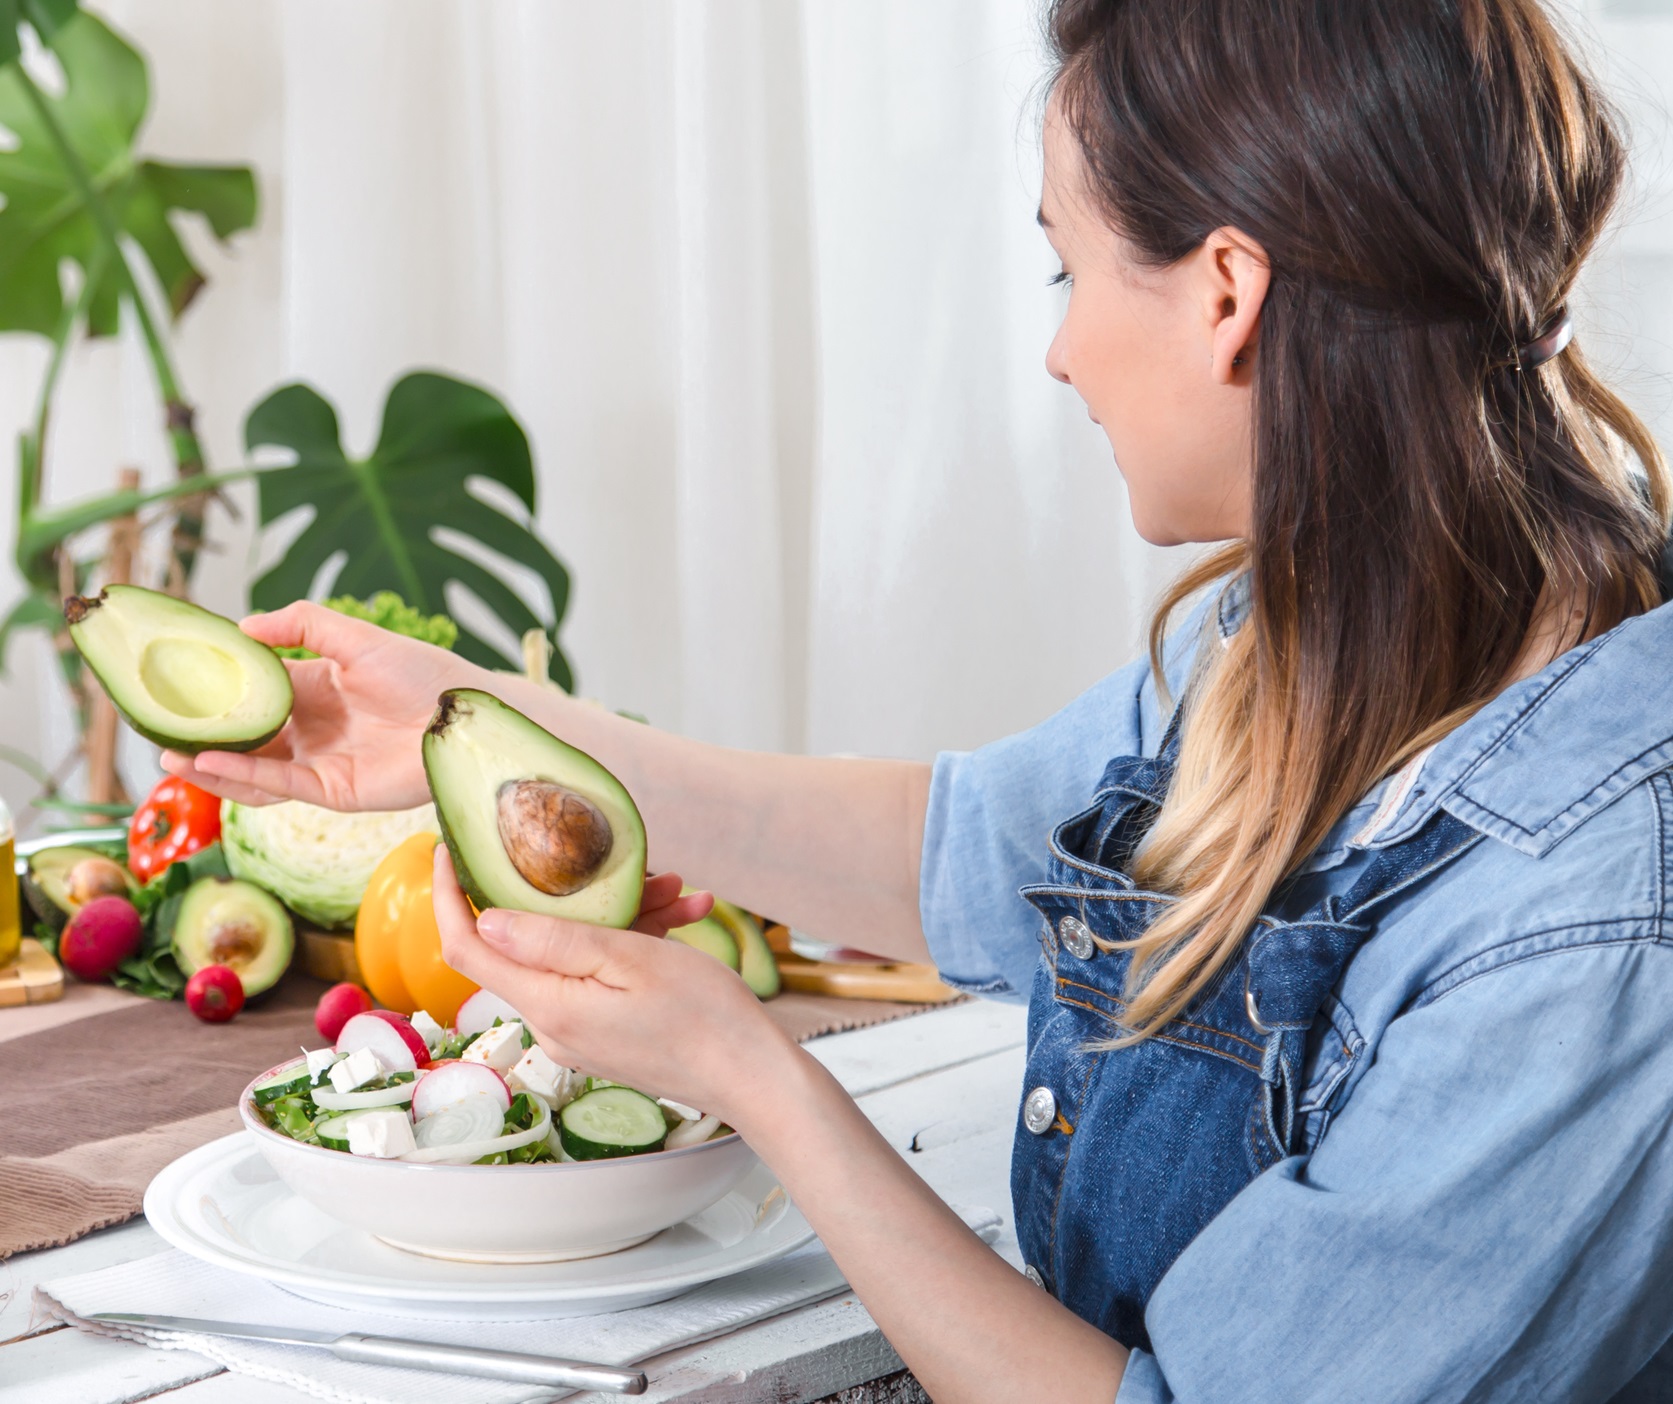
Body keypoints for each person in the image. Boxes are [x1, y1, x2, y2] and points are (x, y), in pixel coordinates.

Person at [167, 0, 1673, 1398]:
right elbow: (961, 850)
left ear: (1226, 293)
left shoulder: (1593, 908)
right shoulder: (1304, 638)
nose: (1060, 348)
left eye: (1068, 270)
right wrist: (482, 730)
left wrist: (754, 1078)